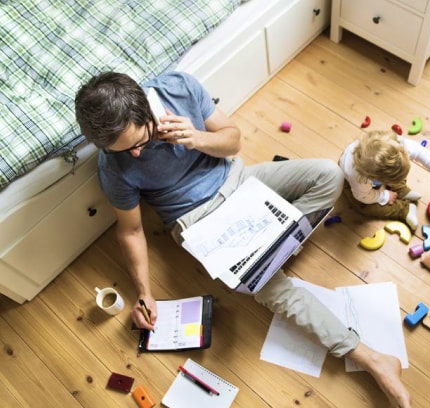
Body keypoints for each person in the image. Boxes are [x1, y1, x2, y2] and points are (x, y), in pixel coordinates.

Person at [75, 71, 412, 408]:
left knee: (328, 174)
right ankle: (371, 358)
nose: (134, 154)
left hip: (239, 179)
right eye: (121, 150)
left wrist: (195, 138)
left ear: (146, 109)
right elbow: (131, 230)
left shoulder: (178, 88)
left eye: (139, 143)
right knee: (264, 286)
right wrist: (145, 293)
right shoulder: (113, 165)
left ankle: (270, 252)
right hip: (198, 221)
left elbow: (233, 140)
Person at [339, 130, 430, 231]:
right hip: (357, 187)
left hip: (377, 172)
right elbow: (363, 197)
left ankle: (401, 189)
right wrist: (384, 196)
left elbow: (420, 152)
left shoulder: (396, 146)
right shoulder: (359, 179)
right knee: (362, 207)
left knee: (397, 171)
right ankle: (403, 210)